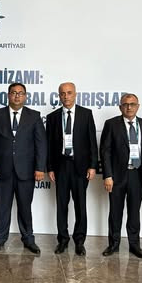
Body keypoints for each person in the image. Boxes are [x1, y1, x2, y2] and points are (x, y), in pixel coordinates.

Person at [0, 82, 47, 254]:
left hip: (26, 171)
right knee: (3, 207)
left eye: (20, 93)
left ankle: (28, 239)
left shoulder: (34, 116)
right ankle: (0, 239)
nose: (17, 96)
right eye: (13, 93)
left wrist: (40, 168)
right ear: (8, 95)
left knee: (25, 207)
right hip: (2, 171)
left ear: (25, 96)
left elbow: (41, 144)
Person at [100, 93, 142, 258]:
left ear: (138, 106)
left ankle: (134, 245)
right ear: (120, 107)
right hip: (117, 175)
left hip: (138, 175)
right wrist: (108, 175)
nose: (129, 107)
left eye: (132, 104)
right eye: (125, 104)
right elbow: (105, 151)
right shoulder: (111, 124)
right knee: (115, 212)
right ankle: (113, 244)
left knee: (134, 212)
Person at [46, 82, 98, 256]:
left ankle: (79, 241)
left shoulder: (86, 114)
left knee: (80, 205)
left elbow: (92, 142)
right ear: (59, 96)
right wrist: (50, 167)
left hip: (80, 166)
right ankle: (62, 240)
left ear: (75, 94)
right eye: (62, 93)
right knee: (61, 205)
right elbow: (49, 145)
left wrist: (92, 166)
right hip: (61, 166)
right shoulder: (53, 117)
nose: (66, 96)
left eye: (69, 93)